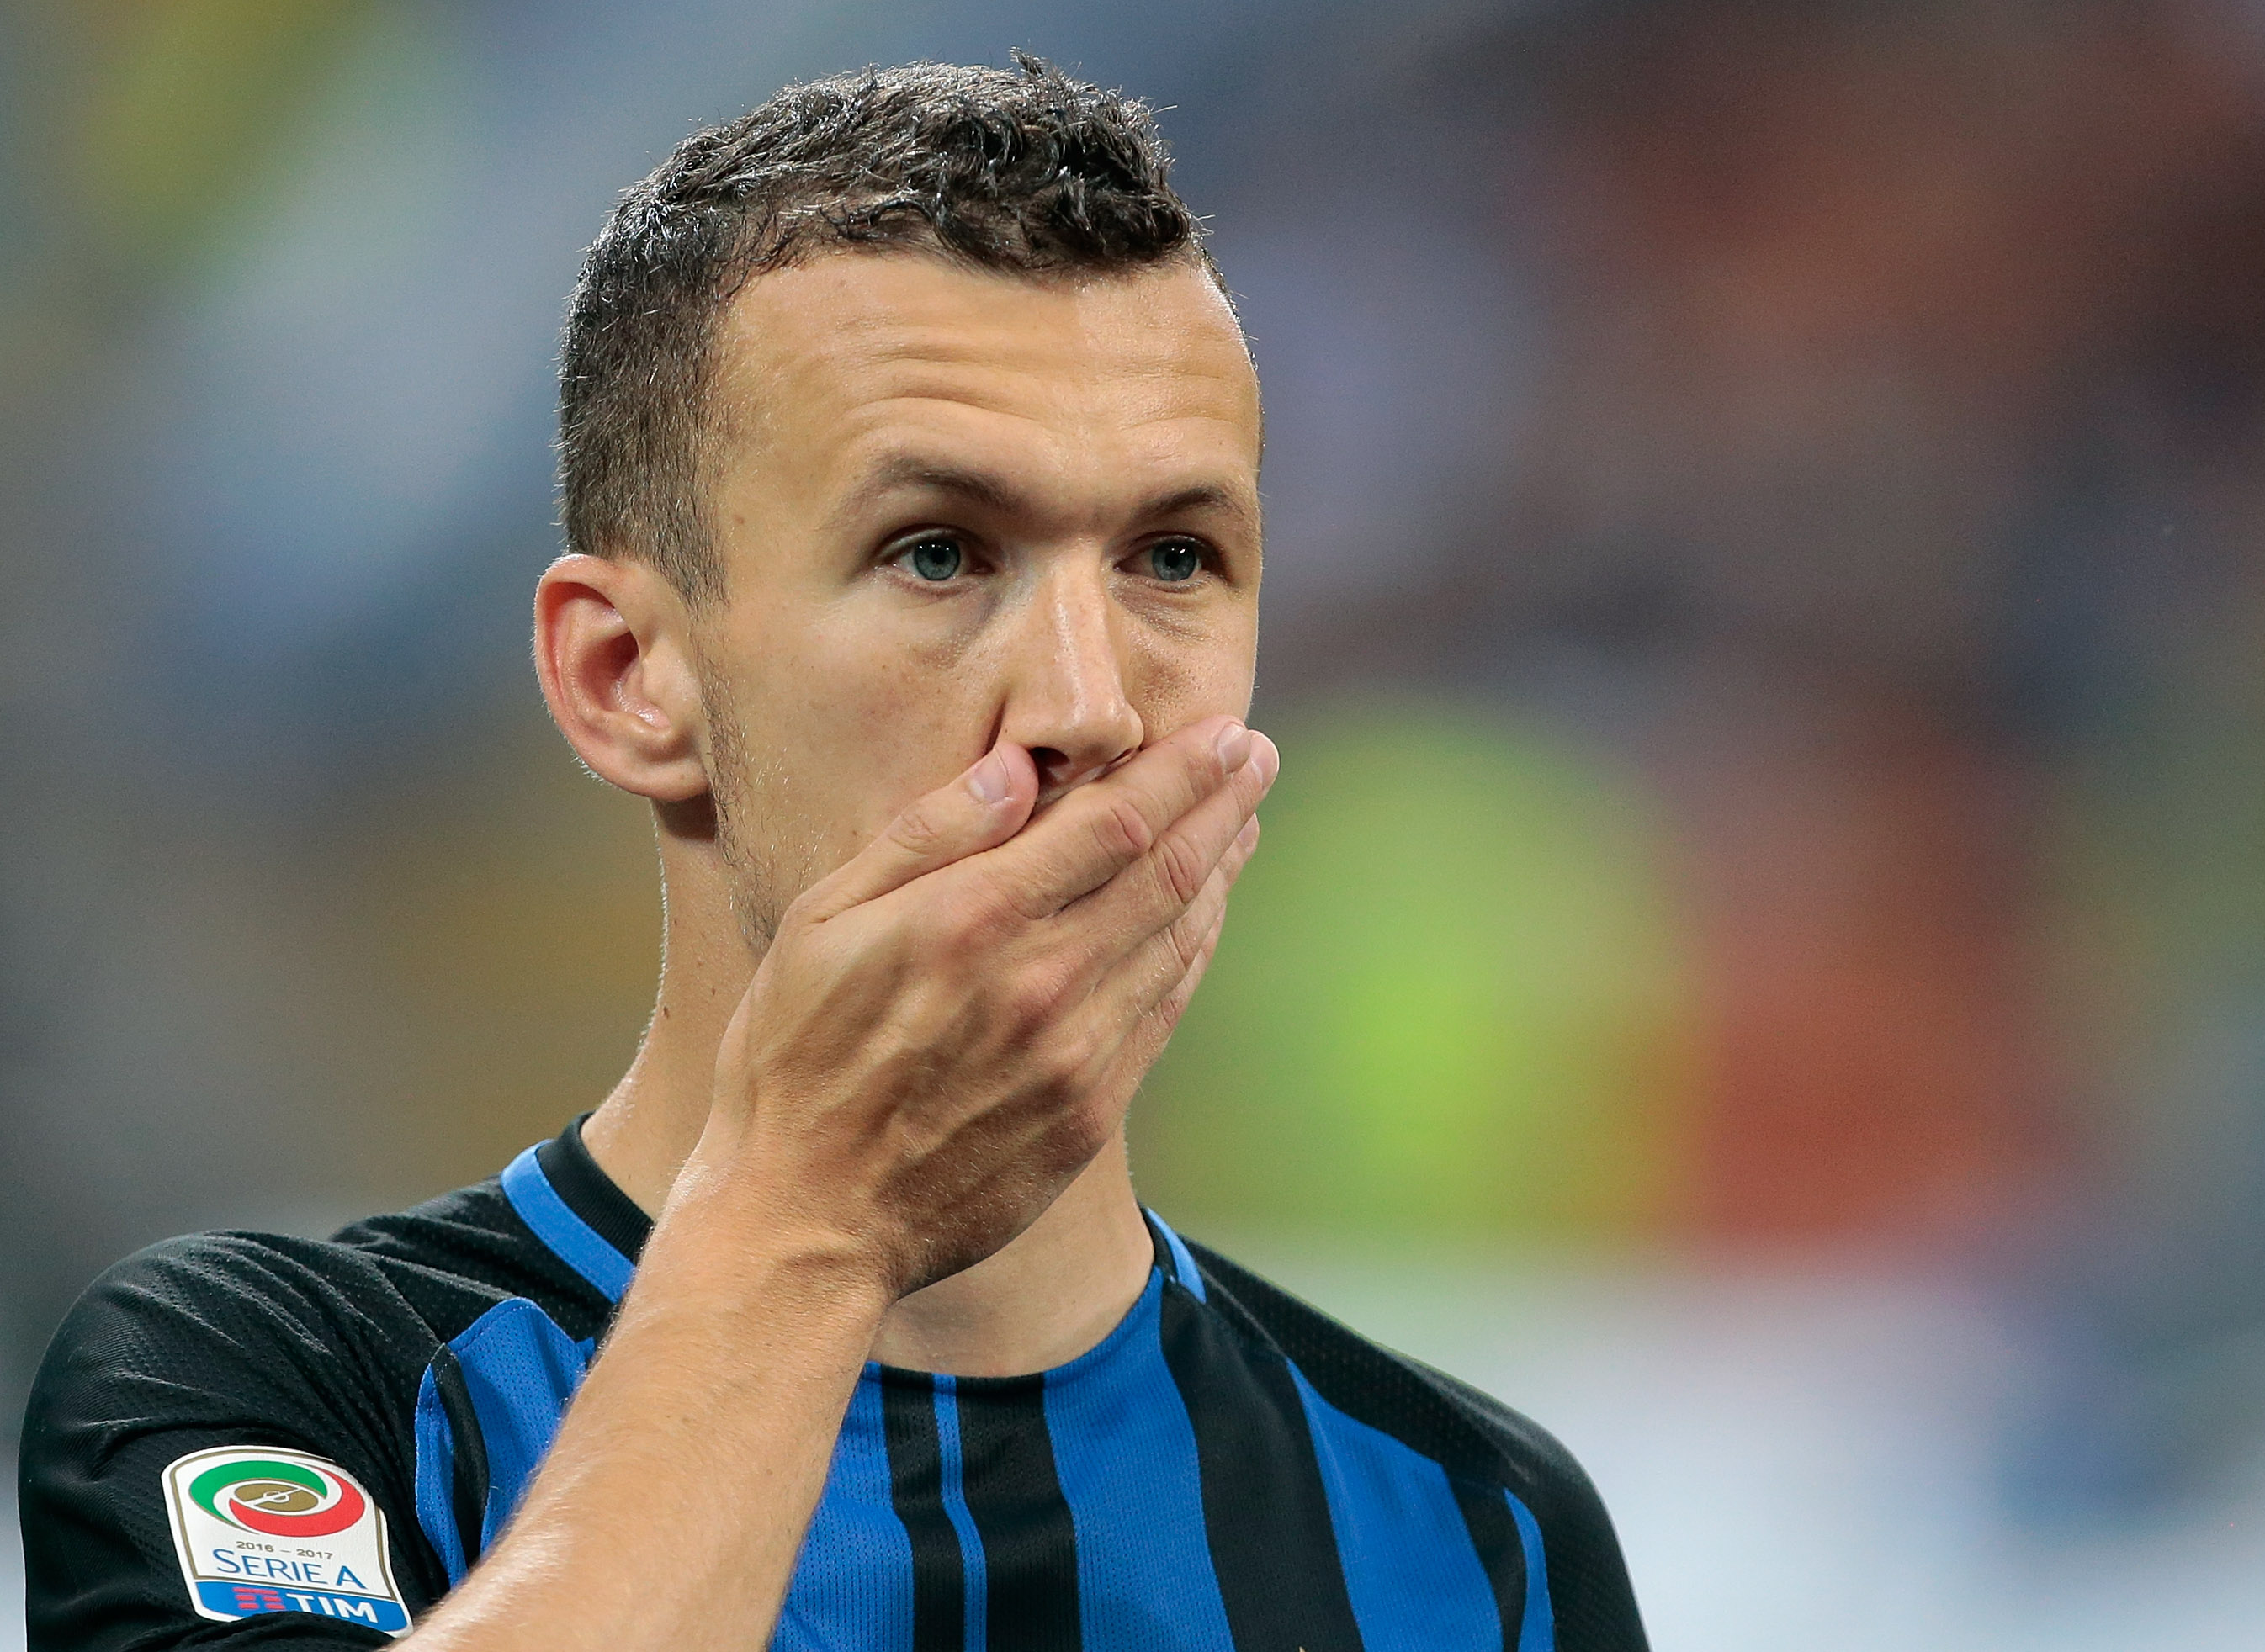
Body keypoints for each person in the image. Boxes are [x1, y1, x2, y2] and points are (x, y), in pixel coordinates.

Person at [19, 56, 1647, 1651]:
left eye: (1174, 557)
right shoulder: (279, 1385)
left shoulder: (1474, 1527)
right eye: (938, 553)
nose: (1088, 703)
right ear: (627, 681)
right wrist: (815, 1219)